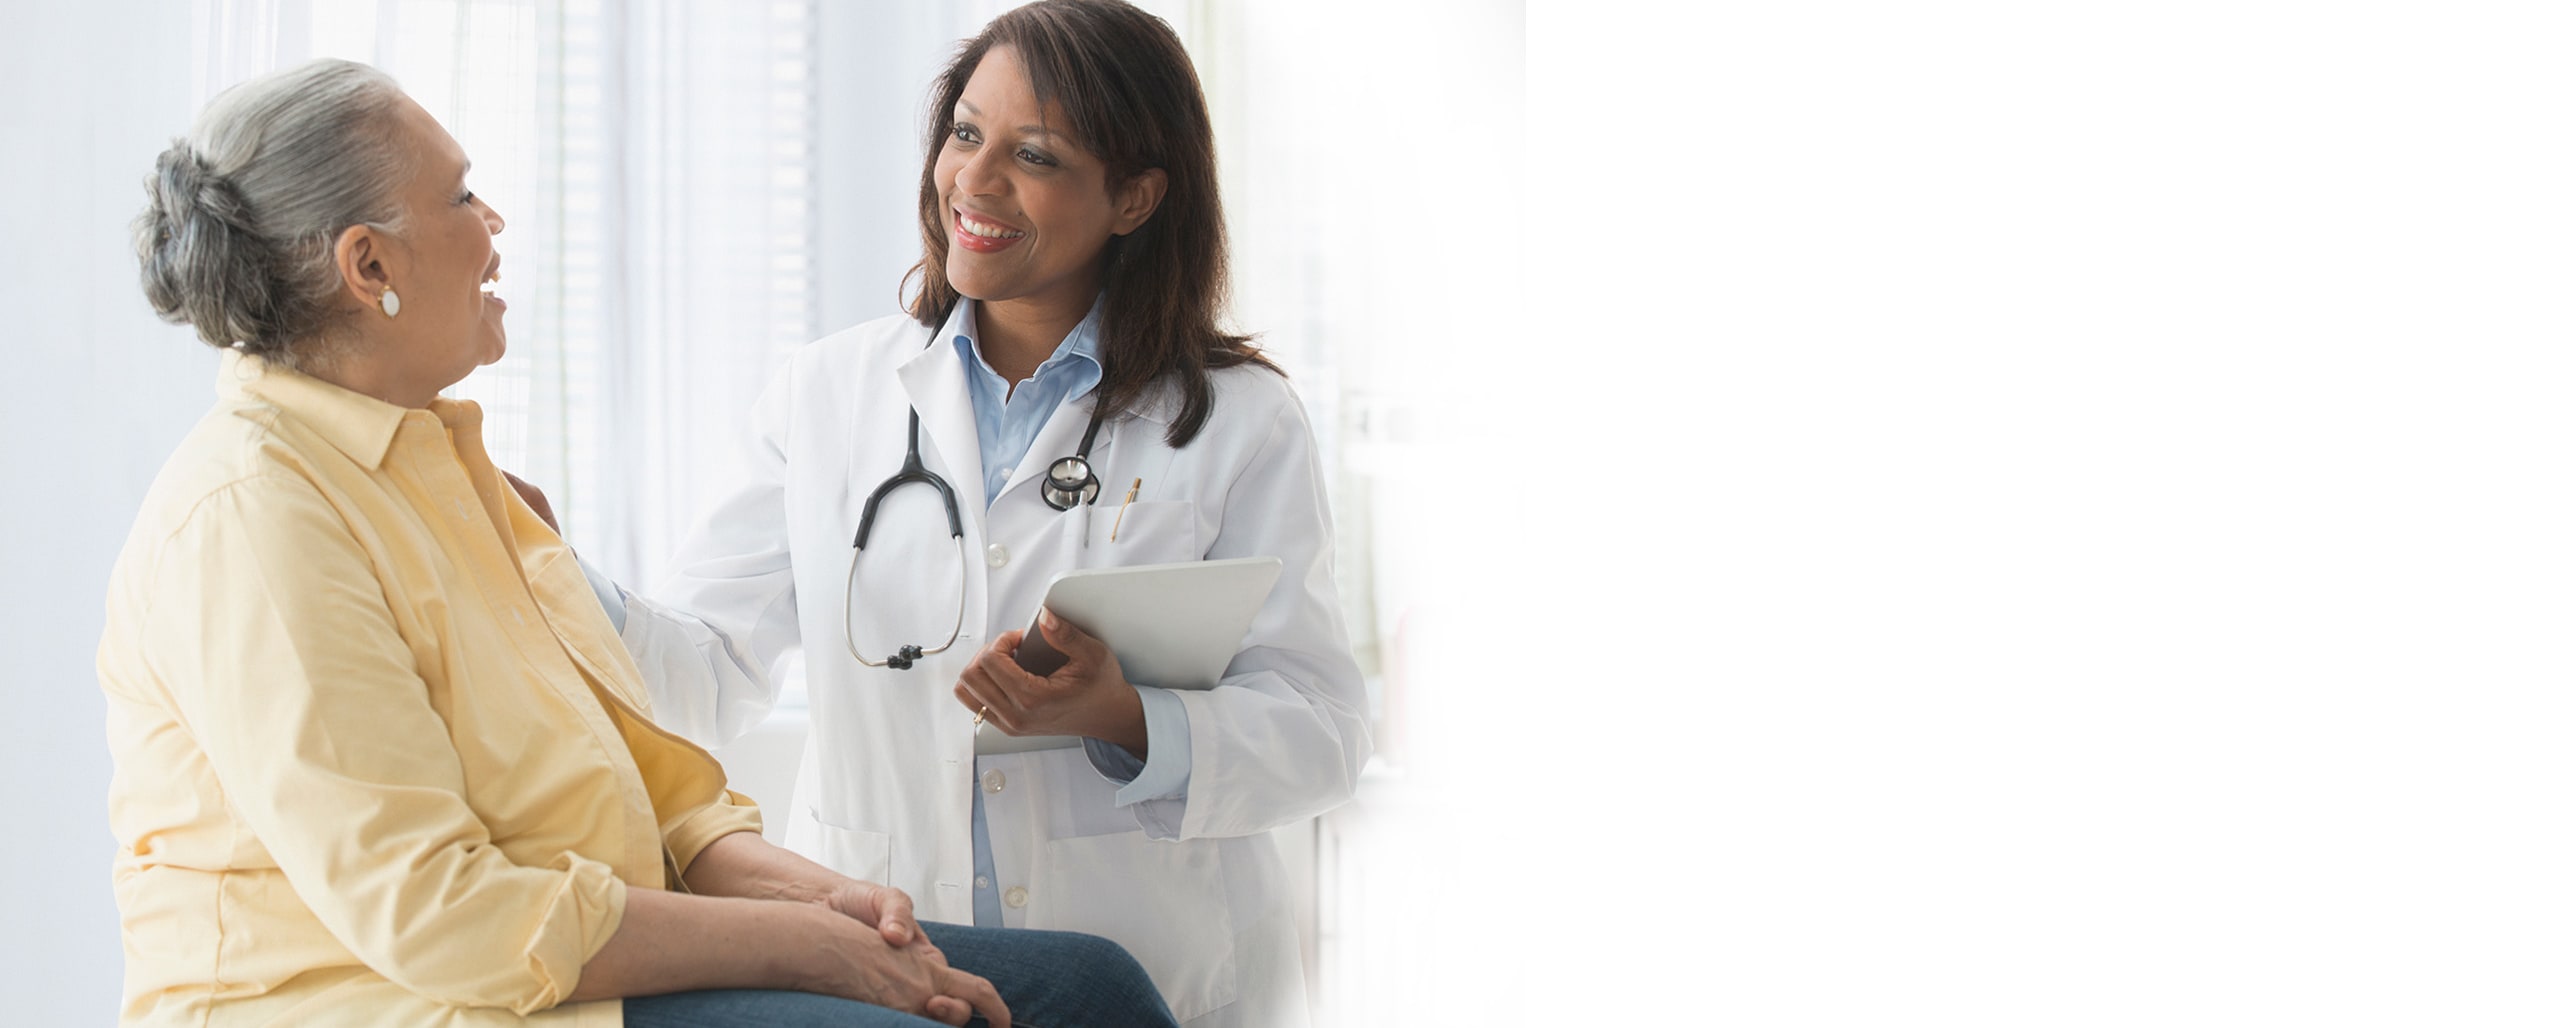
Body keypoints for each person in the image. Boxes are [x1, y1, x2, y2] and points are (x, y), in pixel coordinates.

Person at [99, 57, 1176, 1028]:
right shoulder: (254, 518)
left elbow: (655, 791)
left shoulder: (447, 466)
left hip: (569, 963)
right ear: (368, 262)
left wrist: (816, 894)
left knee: (1092, 990)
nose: (494, 224)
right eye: (463, 194)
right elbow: (442, 918)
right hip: (389, 999)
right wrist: (808, 947)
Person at [579, 3, 1372, 1024]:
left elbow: (1322, 731)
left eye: (1032, 155)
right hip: (898, 950)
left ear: (1133, 195)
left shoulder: (1234, 421)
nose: (975, 181)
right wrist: (548, 571)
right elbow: (700, 670)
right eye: (964, 133)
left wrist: (1122, 717)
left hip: (1150, 962)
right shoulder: (829, 392)